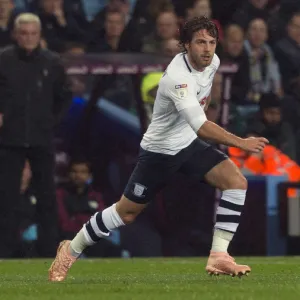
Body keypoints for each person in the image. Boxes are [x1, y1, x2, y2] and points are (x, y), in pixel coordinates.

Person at [49, 16, 268, 281]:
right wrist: (241, 142)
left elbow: (200, 112)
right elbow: (201, 126)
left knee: (236, 182)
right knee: (125, 213)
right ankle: (70, 250)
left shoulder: (214, 63)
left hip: (187, 144)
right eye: (200, 42)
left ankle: (219, 256)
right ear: (185, 45)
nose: (207, 49)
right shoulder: (178, 78)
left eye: (211, 42)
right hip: (160, 152)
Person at [0, 13, 72, 257]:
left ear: (40, 35)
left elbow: (65, 96)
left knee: (47, 198)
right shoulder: (3, 60)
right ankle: (5, 254)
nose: (29, 38)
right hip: (9, 140)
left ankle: (48, 253)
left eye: (33, 33)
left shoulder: (52, 62)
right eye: (24, 33)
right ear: (15, 34)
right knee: (6, 199)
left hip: (42, 139)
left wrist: (50, 123)